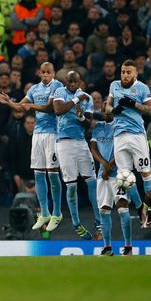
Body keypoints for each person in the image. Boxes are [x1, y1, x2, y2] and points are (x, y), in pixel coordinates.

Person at [0, 62, 63, 231]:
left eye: (49, 72)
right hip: (38, 134)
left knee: (52, 174)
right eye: (43, 72)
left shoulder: (58, 86)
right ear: (40, 73)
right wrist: (9, 102)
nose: (46, 75)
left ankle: (57, 212)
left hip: (52, 133)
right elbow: (20, 107)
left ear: (53, 73)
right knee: (38, 173)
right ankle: (44, 213)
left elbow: (49, 108)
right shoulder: (34, 89)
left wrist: (30, 105)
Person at [104, 59, 151, 227]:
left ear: (135, 74)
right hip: (119, 136)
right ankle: (140, 207)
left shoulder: (142, 88)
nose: (125, 75)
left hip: (137, 136)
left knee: (145, 173)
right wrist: (114, 110)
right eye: (123, 72)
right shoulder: (114, 85)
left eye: (128, 72)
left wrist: (134, 104)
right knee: (123, 177)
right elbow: (108, 108)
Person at [51, 71, 98, 239]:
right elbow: (58, 110)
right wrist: (77, 100)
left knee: (92, 181)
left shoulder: (88, 98)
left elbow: (88, 123)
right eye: (69, 81)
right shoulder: (60, 92)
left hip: (80, 142)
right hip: (64, 143)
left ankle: (98, 220)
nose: (72, 84)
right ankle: (76, 224)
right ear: (66, 82)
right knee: (71, 186)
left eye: (75, 81)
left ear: (80, 82)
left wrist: (80, 117)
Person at [91, 108, 135, 256]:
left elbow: (123, 148)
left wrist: (110, 165)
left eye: (109, 109)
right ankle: (107, 247)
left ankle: (128, 246)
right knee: (104, 210)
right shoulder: (98, 127)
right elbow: (93, 148)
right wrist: (104, 165)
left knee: (122, 207)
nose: (107, 112)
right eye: (104, 110)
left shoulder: (121, 125)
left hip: (119, 174)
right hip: (102, 174)